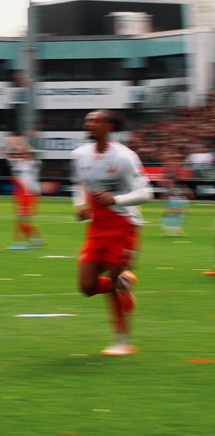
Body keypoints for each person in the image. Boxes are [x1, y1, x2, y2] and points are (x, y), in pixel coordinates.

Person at [71, 110, 153, 356]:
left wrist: (115, 198)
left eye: (96, 120)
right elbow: (79, 184)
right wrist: (78, 205)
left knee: (114, 276)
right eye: (88, 120)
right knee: (86, 286)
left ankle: (122, 341)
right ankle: (123, 283)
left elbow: (147, 193)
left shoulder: (125, 157)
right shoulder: (79, 155)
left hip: (124, 224)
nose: (90, 124)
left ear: (109, 126)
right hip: (97, 226)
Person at [4, 136, 45, 249]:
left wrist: (19, 143)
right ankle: (35, 240)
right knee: (20, 219)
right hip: (20, 192)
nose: (19, 155)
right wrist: (9, 144)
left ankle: (19, 243)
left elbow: (27, 152)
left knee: (22, 219)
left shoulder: (32, 164)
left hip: (28, 193)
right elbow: (5, 154)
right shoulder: (18, 163)